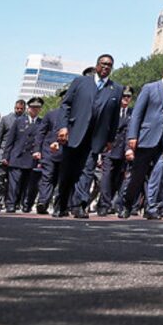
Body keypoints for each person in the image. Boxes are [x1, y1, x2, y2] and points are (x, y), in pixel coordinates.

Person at [53, 54, 125, 218]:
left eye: (109, 65)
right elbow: (66, 105)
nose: (106, 67)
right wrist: (63, 127)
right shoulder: (81, 82)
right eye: (103, 64)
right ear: (97, 65)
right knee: (68, 171)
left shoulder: (116, 89)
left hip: (96, 138)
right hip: (74, 133)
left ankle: (79, 205)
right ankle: (61, 205)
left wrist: (110, 139)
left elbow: (114, 118)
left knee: (87, 171)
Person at [120, 60, 163, 220]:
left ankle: (151, 207)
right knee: (138, 175)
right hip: (146, 138)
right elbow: (137, 114)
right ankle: (127, 204)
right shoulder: (149, 88)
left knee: (158, 175)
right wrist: (132, 136)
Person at [98, 88, 134, 215]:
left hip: (123, 150)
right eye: (124, 96)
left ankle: (114, 204)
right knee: (106, 177)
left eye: (128, 96)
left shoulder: (132, 113)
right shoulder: (111, 111)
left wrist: (129, 149)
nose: (125, 98)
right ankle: (104, 205)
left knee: (117, 179)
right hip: (109, 148)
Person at [4, 97, 44, 212]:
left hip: (31, 159)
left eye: (37, 108)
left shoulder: (42, 123)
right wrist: (6, 156)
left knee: (27, 184)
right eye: (32, 108)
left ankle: (23, 204)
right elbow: (10, 140)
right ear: (28, 108)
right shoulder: (19, 121)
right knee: (13, 183)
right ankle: (11, 204)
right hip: (17, 156)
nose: (35, 110)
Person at [0, 98, 28, 212]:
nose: (19, 110)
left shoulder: (26, 121)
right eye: (17, 108)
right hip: (2, 153)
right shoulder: (6, 119)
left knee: (14, 182)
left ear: (24, 109)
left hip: (17, 156)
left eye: (21, 109)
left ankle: (11, 203)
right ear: (14, 107)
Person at [34, 90, 65, 214]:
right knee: (47, 177)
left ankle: (60, 206)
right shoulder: (51, 114)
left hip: (65, 153)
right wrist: (37, 150)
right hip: (49, 152)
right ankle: (43, 202)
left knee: (61, 179)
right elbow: (40, 133)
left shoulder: (75, 116)